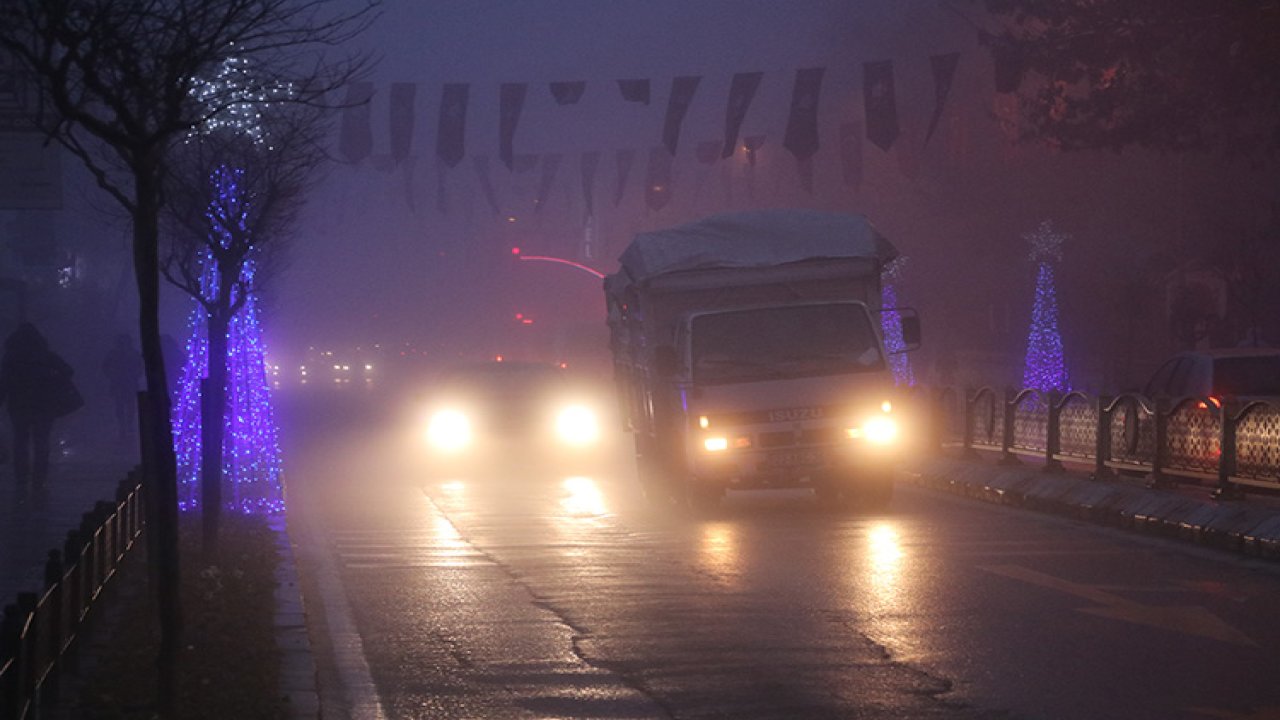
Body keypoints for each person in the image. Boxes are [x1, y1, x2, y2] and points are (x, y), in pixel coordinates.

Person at [0, 322, 77, 485]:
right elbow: (68, 371)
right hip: (43, 404)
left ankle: (21, 475)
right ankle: (39, 475)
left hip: (18, 404)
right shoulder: (45, 355)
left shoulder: (12, 357)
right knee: (41, 440)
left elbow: (4, 381)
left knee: (20, 440)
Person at [102, 333, 144, 442]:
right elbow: (140, 366)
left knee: (123, 405)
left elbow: (105, 366)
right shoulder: (132, 353)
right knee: (126, 405)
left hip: (122, 383)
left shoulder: (115, 353)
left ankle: (125, 426)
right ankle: (125, 426)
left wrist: (111, 375)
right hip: (126, 382)